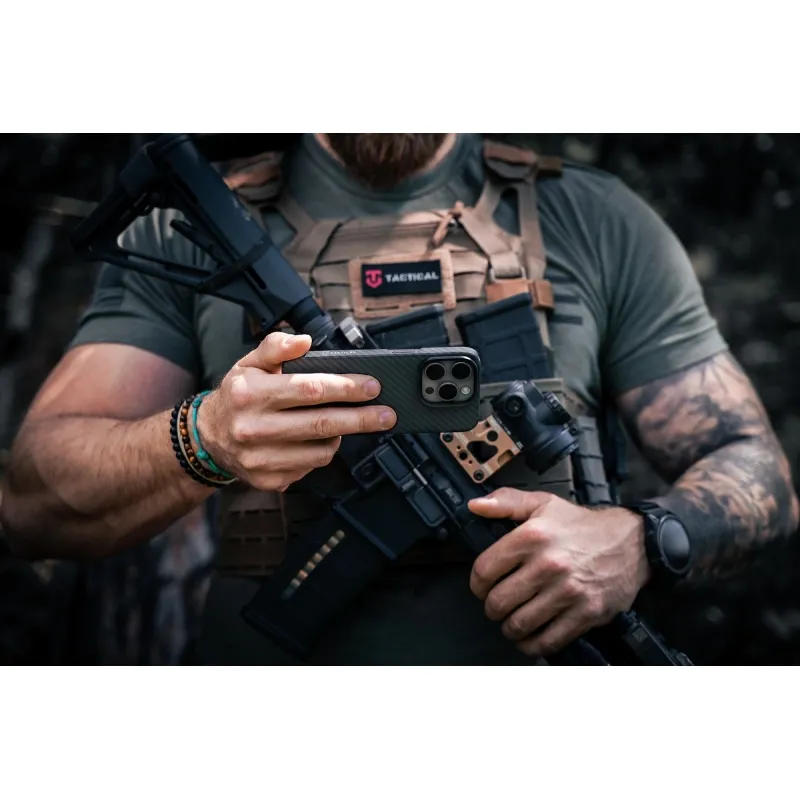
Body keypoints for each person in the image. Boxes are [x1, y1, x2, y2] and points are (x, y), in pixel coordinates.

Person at [1, 133, 797, 665]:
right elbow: (31, 503)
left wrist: (639, 539)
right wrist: (203, 437)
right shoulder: (192, 226)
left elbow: (755, 467)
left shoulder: (593, 219)